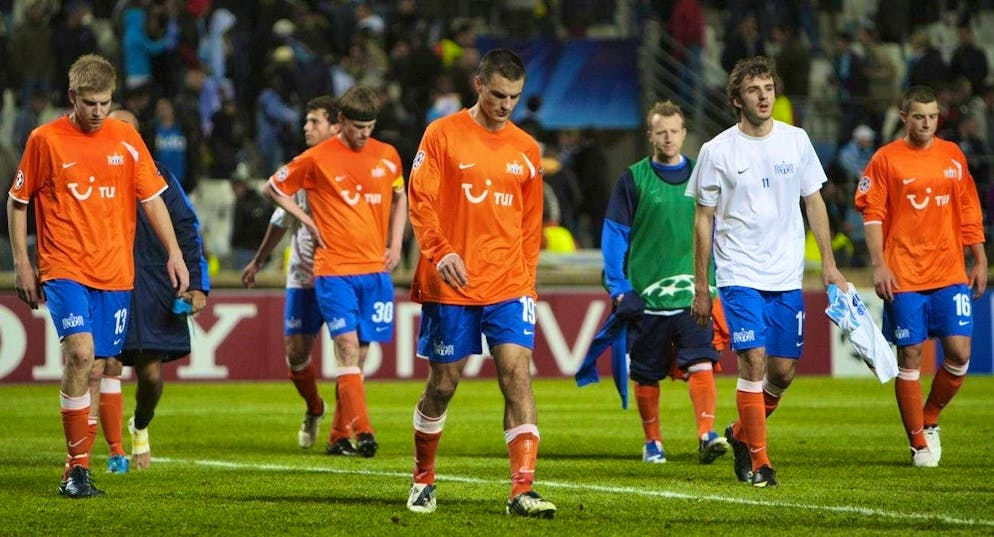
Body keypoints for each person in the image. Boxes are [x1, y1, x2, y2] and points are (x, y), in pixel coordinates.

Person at [7, 54, 189, 498]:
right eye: (89, 103)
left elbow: (153, 200)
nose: (97, 112)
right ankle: (76, 469)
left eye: (104, 103)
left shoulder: (126, 139)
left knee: (102, 365)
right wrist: (23, 262)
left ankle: (82, 464)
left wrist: (175, 254)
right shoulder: (44, 139)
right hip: (64, 267)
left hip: (115, 274)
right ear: (72, 97)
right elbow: (18, 202)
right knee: (81, 354)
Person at [405, 48, 556, 518]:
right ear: (478, 85)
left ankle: (522, 490)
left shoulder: (527, 150)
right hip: (452, 284)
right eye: (497, 94)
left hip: (509, 284)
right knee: (444, 385)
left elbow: (531, 227)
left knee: (517, 374)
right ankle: (423, 478)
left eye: (514, 96)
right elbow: (421, 200)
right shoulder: (442, 135)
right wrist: (441, 249)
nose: (505, 104)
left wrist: (527, 283)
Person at [686, 56, 847, 488]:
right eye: (754, 90)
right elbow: (703, 218)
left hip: (786, 276)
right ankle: (761, 463)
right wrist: (703, 285)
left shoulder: (796, 141)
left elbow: (814, 201)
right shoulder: (716, 150)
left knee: (782, 373)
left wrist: (829, 264)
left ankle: (741, 434)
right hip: (739, 274)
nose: (764, 96)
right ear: (737, 99)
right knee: (752, 362)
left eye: (769, 88)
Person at [264, 85, 407, 459]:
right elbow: (273, 188)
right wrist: (307, 220)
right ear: (342, 122)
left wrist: (395, 244)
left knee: (358, 355)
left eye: (370, 127)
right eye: (358, 127)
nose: (364, 135)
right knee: (338, 348)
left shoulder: (388, 156)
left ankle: (339, 434)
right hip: (331, 269)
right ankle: (364, 428)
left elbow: (399, 196)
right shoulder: (317, 158)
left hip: (374, 270)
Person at [854, 85, 986, 467]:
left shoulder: (953, 156)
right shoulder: (885, 160)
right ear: (903, 117)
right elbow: (872, 215)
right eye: (919, 117)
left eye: (932, 117)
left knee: (960, 354)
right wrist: (879, 264)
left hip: (949, 271)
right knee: (910, 357)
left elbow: (968, 209)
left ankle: (930, 418)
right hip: (905, 274)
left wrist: (979, 259)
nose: (926, 124)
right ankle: (918, 444)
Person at [601, 100, 728, 465]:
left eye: (674, 131)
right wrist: (620, 286)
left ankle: (706, 433)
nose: (668, 138)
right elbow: (614, 235)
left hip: (695, 293)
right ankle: (652, 442)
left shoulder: (704, 177)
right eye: (661, 132)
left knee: (701, 361)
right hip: (647, 296)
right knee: (646, 373)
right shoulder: (633, 179)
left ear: (685, 134)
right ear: (650, 135)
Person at [87, 108, 210, 473]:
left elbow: (187, 226)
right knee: (105, 364)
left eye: (128, 130)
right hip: (108, 282)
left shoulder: (160, 177)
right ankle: (114, 452)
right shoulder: (91, 172)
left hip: (154, 287)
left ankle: (139, 427)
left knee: (152, 376)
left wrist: (198, 285)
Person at [241, 96, 354, 454]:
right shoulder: (302, 168)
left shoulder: (357, 166)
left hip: (345, 274)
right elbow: (280, 218)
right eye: (307, 121)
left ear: (336, 126)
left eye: (314, 121)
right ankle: (315, 407)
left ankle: (342, 431)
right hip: (305, 275)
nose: (306, 127)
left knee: (349, 353)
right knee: (296, 355)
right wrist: (259, 261)